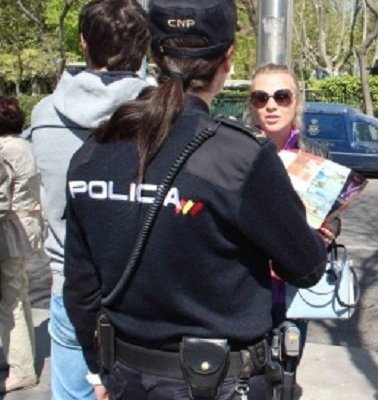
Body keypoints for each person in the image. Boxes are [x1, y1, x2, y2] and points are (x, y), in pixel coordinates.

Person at [63, 1, 328, 399]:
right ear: (228, 58)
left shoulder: (94, 151)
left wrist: (102, 369)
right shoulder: (239, 157)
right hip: (221, 383)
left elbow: (80, 288)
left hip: (130, 377)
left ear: (155, 54)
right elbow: (307, 267)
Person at [28, 1, 150, 398]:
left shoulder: (45, 114)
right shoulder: (165, 116)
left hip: (69, 283)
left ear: (83, 42)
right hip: (145, 288)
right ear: (145, 46)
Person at [248, 63, 340, 390]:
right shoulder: (237, 151)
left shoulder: (316, 155)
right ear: (252, 105)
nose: (271, 105)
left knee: (286, 378)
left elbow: (331, 211)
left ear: (296, 102)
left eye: (281, 96)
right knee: (250, 382)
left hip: (294, 289)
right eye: (261, 98)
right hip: (248, 286)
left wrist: (331, 230)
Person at [0, 97, 38, 393]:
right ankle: (20, 358)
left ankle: (22, 367)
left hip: (10, 231)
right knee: (18, 295)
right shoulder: (23, 145)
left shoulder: (5, 150)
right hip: (25, 226)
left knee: (11, 300)